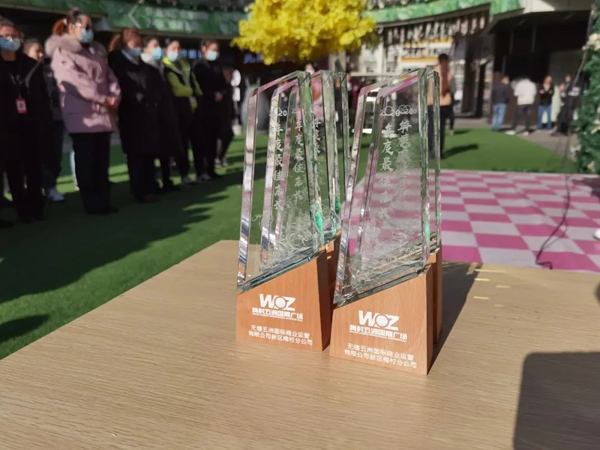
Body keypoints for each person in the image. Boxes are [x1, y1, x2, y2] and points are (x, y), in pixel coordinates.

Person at [46, 9, 121, 215]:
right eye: (85, 27)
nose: (90, 31)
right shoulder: (62, 51)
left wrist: (114, 95)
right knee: (86, 161)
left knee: (101, 162)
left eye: (91, 27)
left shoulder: (96, 50)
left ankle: (104, 199)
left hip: (103, 114)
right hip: (83, 117)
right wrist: (103, 98)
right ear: (72, 28)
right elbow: (74, 82)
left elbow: (110, 76)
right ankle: (92, 202)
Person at [108, 29, 173, 203]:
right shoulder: (118, 64)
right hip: (131, 115)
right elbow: (123, 88)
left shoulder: (144, 67)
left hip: (149, 114)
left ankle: (150, 186)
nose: (137, 48)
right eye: (135, 44)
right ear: (125, 44)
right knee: (136, 153)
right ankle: (139, 189)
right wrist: (139, 97)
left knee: (149, 151)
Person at [0, 19, 52, 223]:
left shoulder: (31, 66)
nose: (10, 40)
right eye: (5, 36)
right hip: (6, 127)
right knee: (14, 171)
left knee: (34, 167)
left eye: (14, 36)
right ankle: (22, 209)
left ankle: (36, 206)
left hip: (31, 124)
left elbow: (43, 96)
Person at [23, 38, 66, 203]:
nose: (41, 55)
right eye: (37, 51)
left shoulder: (49, 72)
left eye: (42, 51)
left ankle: (50, 186)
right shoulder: (24, 73)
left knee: (54, 156)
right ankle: (39, 189)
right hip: (34, 122)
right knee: (38, 158)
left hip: (55, 119)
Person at [141, 36, 182, 192]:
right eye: (154, 45)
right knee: (151, 150)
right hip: (152, 113)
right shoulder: (144, 66)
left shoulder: (161, 66)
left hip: (165, 113)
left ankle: (166, 179)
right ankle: (151, 183)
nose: (158, 49)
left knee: (166, 148)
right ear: (145, 49)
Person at [163, 40, 203, 185]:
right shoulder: (166, 67)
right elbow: (178, 90)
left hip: (192, 108)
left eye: (179, 48)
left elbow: (194, 83)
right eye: (173, 48)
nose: (177, 51)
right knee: (182, 144)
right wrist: (192, 91)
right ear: (166, 50)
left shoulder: (185, 65)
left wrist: (198, 93)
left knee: (198, 141)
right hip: (177, 110)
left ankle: (201, 172)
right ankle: (184, 174)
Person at [193, 40, 229, 179]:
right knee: (204, 140)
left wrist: (221, 93)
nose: (215, 52)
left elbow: (224, 83)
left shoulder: (217, 65)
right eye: (213, 49)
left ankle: (211, 168)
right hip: (204, 107)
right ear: (204, 48)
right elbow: (199, 86)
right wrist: (211, 94)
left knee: (215, 138)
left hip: (217, 108)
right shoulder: (199, 66)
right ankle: (203, 170)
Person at [435, 53, 454, 155]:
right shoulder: (450, 73)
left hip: (435, 103)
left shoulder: (433, 72)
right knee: (441, 129)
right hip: (446, 104)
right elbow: (452, 89)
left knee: (432, 128)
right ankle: (440, 151)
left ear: (438, 61)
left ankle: (432, 149)